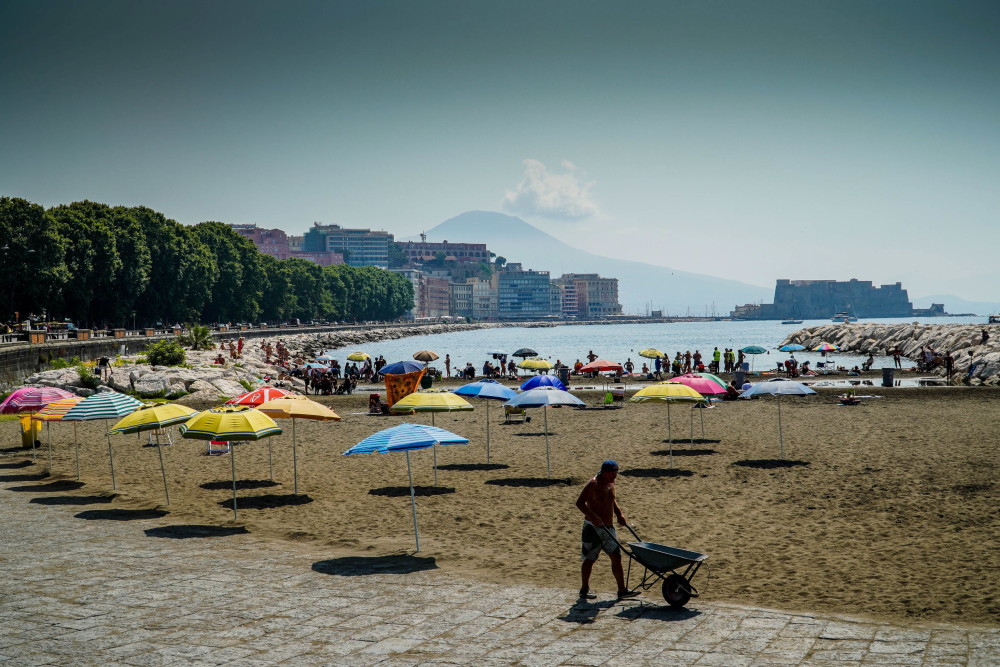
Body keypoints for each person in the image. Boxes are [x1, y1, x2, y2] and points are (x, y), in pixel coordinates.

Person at [575, 460, 638, 600]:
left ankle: (622, 590)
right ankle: (584, 589)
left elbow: (611, 499)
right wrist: (593, 517)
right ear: (604, 472)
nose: (615, 477)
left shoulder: (611, 483)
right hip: (592, 528)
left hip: (609, 527)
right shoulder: (593, 484)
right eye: (612, 474)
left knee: (616, 557)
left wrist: (619, 514)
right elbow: (579, 503)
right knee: (590, 558)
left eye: (616, 474)